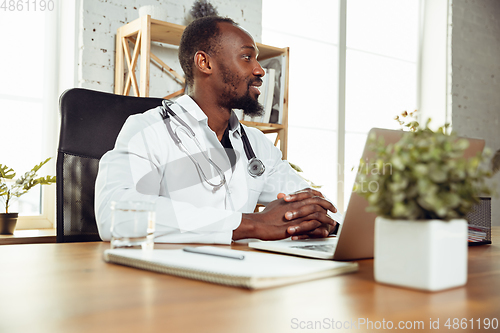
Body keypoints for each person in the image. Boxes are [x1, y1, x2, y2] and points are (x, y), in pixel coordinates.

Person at [95, 16, 339, 244]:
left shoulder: (255, 143)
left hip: (242, 275)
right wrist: (249, 225)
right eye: (247, 57)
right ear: (205, 63)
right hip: (171, 280)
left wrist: (322, 222)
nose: (259, 70)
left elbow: (308, 202)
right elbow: (115, 213)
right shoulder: (147, 130)